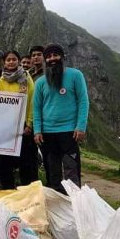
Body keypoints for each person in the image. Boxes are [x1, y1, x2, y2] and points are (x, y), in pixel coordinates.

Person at [34, 43, 89, 191]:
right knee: (53, 172)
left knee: (71, 170)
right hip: (47, 133)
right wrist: (37, 130)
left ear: (62, 57)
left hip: (69, 131)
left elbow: (83, 101)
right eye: (49, 56)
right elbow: (37, 108)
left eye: (55, 55)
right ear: (45, 60)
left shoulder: (76, 75)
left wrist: (81, 126)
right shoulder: (40, 82)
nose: (52, 59)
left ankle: (74, 204)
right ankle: (56, 206)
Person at [0, 50, 38, 189]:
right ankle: (8, 189)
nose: (11, 62)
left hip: (24, 125)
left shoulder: (26, 78)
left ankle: (26, 191)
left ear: (18, 61)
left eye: (14, 59)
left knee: (26, 161)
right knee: (4, 161)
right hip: (7, 127)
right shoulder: (0, 82)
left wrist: (29, 123)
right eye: (8, 60)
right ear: (4, 62)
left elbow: (32, 101)